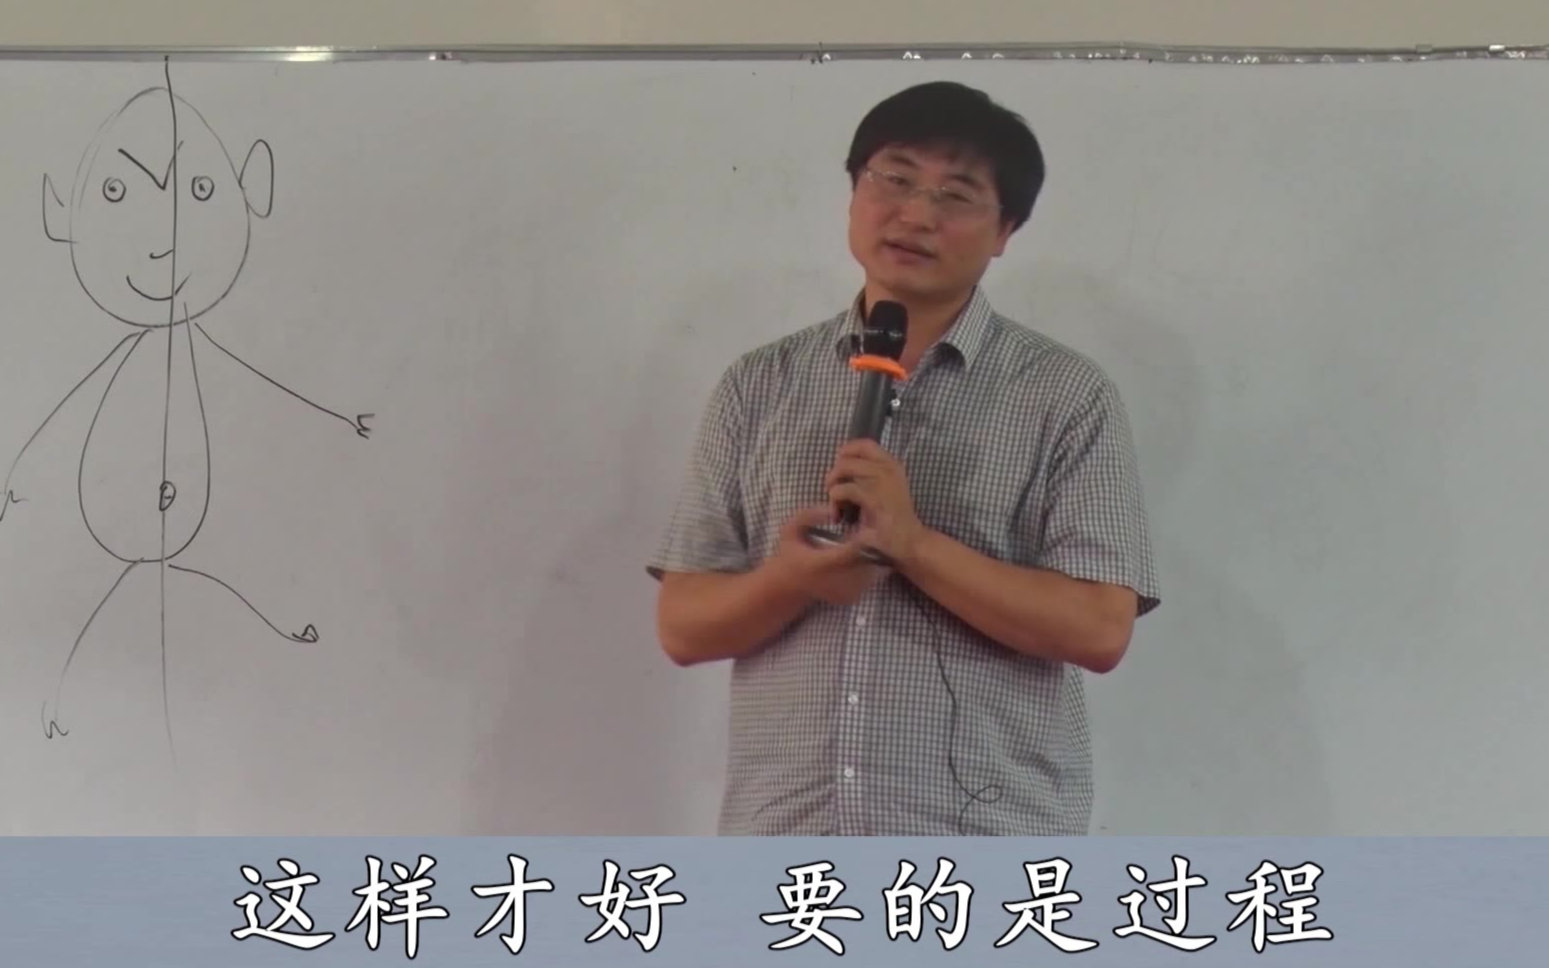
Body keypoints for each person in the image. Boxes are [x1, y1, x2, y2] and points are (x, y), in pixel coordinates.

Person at [647, 80, 1159, 836]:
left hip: (980, 851)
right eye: (894, 179)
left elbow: (1098, 630)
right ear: (854, 193)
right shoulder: (758, 385)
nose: (916, 214)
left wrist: (913, 546)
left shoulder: (1065, 393)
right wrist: (792, 578)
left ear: (1005, 230)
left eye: (956, 195)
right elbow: (684, 627)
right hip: (789, 844)